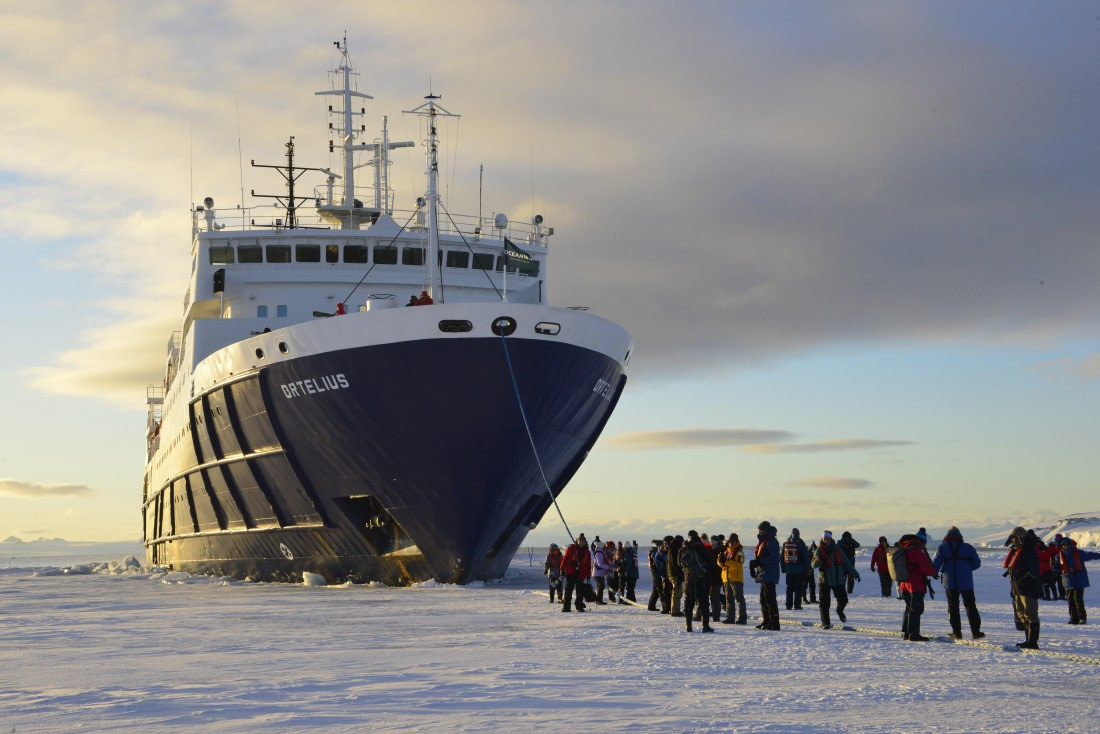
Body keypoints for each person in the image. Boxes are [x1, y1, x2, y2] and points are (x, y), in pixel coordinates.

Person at [932, 526, 984, 639]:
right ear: (960, 536)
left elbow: (936, 563)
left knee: (953, 606)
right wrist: (966, 569)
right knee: (970, 605)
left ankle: (957, 632)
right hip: (966, 581)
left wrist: (934, 573)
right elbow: (977, 563)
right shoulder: (968, 548)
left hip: (949, 581)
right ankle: (976, 632)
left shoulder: (942, 547)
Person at [812, 530, 859, 629]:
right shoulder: (819, 551)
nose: (826, 541)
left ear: (830, 539)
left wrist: (855, 574)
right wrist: (817, 560)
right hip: (824, 580)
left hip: (838, 579)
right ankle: (826, 623)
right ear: (822, 539)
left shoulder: (837, 550)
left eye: (828, 539)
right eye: (824, 539)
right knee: (824, 603)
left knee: (844, 599)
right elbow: (813, 565)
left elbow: (846, 563)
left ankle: (839, 610)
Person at [1003, 526, 1041, 648]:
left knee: (1030, 614)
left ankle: (1032, 642)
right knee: (1022, 614)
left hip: (1028, 589)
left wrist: (1022, 582)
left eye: (1016, 538)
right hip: (1018, 589)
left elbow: (1034, 571)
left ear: (1022, 538)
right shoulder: (1016, 552)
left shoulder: (1029, 552)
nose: (1014, 540)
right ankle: (1028, 640)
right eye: (1012, 538)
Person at [896, 531, 936, 641]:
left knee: (909, 608)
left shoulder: (904, 548)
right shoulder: (916, 551)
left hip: (904, 584)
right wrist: (934, 572)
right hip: (915, 584)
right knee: (916, 609)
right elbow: (925, 568)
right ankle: (913, 634)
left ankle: (906, 633)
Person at [1057, 535, 1100, 624]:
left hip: (1079, 579)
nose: (1065, 546)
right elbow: (1055, 568)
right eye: (1063, 545)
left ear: (1071, 544)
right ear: (1061, 546)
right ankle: (1074, 618)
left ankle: (1082, 618)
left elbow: (1091, 555)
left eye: (1067, 544)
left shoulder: (1079, 553)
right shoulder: (1059, 556)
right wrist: (1052, 564)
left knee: (1077, 598)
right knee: (1070, 599)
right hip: (1068, 580)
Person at [679, 530, 715, 632]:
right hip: (702, 580)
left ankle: (688, 626)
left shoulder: (684, 549)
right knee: (704, 604)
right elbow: (712, 562)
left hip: (688, 580)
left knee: (688, 604)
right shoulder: (702, 548)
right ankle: (705, 626)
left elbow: (679, 563)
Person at [752, 521, 781, 630]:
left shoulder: (772, 541)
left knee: (770, 599)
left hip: (769, 574)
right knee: (763, 599)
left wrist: (761, 561)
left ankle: (774, 623)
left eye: (761, 530)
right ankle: (766, 620)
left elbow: (774, 558)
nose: (759, 532)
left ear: (765, 530)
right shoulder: (764, 541)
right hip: (763, 574)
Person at [719, 534, 747, 624]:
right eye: (729, 542)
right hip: (726, 578)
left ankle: (742, 618)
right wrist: (720, 560)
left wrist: (726, 561)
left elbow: (737, 565)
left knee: (739, 598)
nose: (731, 543)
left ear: (736, 541)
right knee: (729, 599)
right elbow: (721, 564)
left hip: (736, 579)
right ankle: (730, 618)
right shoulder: (726, 551)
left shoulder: (739, 552)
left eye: (733, 542)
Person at [560, 533, 592, 613]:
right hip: (570, 572)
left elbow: (588, 564)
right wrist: (562, 569)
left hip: (581, 574)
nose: (581, 542)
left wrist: (588, 574)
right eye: (580, 541)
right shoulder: (571, 548)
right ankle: (566, 607)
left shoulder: (587, 551)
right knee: (568, 591)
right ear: (577, 541)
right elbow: (565, 559)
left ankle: (579, 606)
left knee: (580, 591)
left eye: (583, 541)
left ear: (585, 542)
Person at [780, 528, 809, 611]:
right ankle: (797, 605)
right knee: (798, 588)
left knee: (789, 588)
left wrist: (783, 567)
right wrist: (807, 568)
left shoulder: (786, 543)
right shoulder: (800, 543)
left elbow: (781, 557)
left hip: (789, 570)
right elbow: (806, 557)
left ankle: (788, 605)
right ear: (798, 534)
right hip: (799, 570)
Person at [707, 534, 725, 622]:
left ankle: (716, 616)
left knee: (715, 597)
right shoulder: (715, 551)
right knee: (713, 597)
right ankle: (715, 615)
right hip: (714, 577)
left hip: (716, 577)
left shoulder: (718, 551)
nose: (711, 543)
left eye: (712, 541)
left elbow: (716, 565)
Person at [667, 535, 685, 617]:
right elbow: (675, 564)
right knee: (677, 593)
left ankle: (675, 609)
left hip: (672, 573)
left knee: (676, 592)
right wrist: (680, 573)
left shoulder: (672, 549)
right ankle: (675, 611)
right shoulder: (674, 550)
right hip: (675, 574)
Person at [647, 539, 668, 612]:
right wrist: (663, 573)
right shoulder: (655, 553)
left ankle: (651, 606)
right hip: (657, 575)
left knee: (655, 591)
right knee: (661, 591)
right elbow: (658, 565)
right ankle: (665, 607)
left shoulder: (652, 552)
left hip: (654, 575)